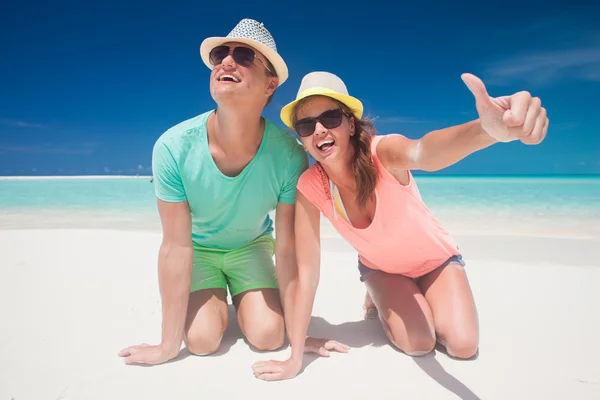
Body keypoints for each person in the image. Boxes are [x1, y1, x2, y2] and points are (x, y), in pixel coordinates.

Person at [251, 71, 548, 381]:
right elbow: (306, 271)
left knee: (463, 346)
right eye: (306, 125)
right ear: (301, 136)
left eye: (330, 117)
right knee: (419, 343)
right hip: (383, 270)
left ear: (351, 124)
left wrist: (487, 130)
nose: (320, 130)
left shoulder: (383, 152)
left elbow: (425, 152)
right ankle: (381, 296)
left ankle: (410, 295)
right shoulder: (309, 187)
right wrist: (295, 354)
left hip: (437, 261)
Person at [117, 18, 316, 365]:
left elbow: (286, 250)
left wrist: (299, 334)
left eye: (244, 56)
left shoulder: (289, 156)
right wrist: (166, 345)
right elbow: (176, 247)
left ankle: (240, 293)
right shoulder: (173, 147)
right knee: (200, 341)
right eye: (221, 54)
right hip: (199, 250)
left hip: (251, 247)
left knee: (270, 336)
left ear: (271, 85)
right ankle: (212, 295)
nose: (226, 61)